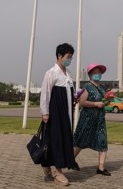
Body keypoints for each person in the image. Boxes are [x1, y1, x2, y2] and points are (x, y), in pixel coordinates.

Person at [40, 43, 79, 186]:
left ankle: (46, 163)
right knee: (57, 140)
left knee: (61, 139)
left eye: (71, 57)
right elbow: (45, 94)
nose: (70, 60)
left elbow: (70, 92)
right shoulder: (51, 73)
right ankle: (59, 172)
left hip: (67, 113)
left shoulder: (68, 73)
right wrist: (45, 113)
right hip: (55, 113)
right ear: (59, 56)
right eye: (68, 57)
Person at [73, 62, 112, 176]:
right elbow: (82, 102)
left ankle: (101, 167)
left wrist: (107, 100)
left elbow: (104, 101)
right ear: (89, 75)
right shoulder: (87, 87)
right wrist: (95, 104)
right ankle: (71, 160)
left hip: (99, 119)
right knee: (80, 142)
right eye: (95, 73)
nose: (98, 74)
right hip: (87, 119)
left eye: (99, 72)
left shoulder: (101, 87)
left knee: (102, 141)